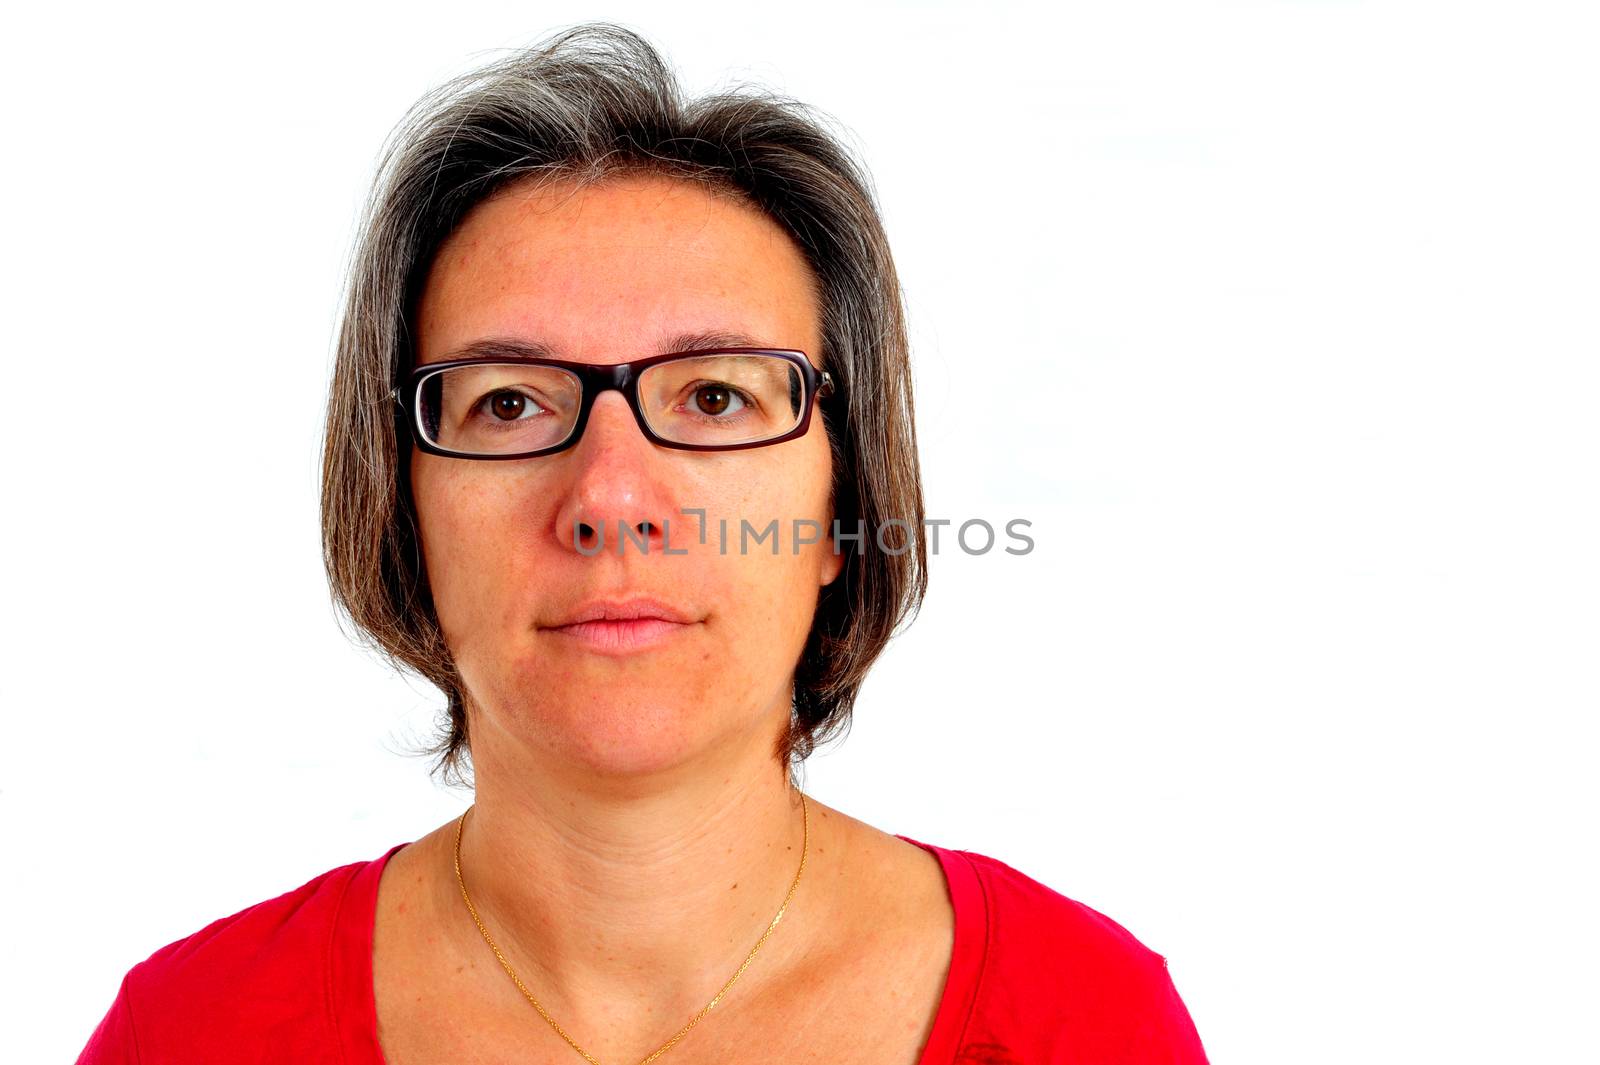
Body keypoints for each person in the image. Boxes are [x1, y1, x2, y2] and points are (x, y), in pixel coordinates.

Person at [76, 22, 1207, 1065]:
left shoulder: (1083, 1018)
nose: (610, 497)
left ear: (840, 502)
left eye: (715, 397)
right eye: (508, 403)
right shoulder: (192, 1030)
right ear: (401, 503)